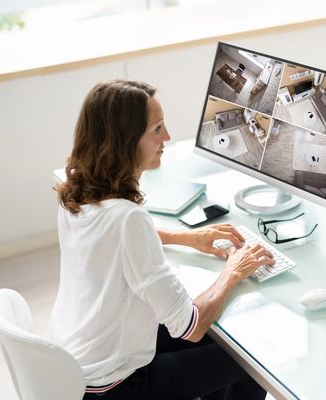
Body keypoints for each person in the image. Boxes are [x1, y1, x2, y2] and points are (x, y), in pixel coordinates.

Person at [49, 80, 274, 400]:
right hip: (118, 388)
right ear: (125, 141)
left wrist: (187, 237)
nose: (167, 137)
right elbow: (190, 326)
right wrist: (233, 271)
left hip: (77, 363)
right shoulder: (129, 219)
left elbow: (112, 237)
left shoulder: (78, 188)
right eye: (156, 129)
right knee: (252, 357)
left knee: (222, 340)